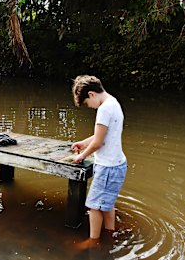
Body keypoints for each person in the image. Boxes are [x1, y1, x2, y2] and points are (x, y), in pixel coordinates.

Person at [70, 75, 128, 249]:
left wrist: (81, 156)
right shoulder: (114, 102)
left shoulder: (103, 109)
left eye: (87, 103)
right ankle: (110, 233)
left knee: (94, 206)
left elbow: (98, 143)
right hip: (117, 164)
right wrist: (83, 143)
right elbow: (101, 136)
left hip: (108, 167)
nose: (90, 106)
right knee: (107, 205)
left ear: (92, 94)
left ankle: (93, 241)